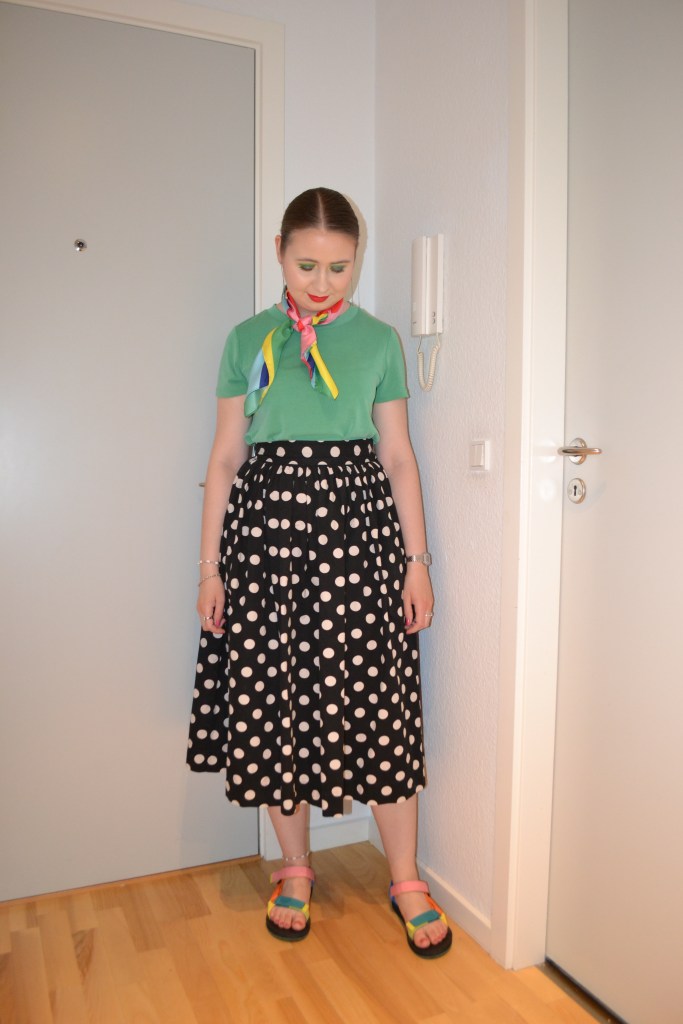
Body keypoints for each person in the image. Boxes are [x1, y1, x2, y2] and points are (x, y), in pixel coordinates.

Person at [187, 187, 451, 958]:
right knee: (275, 703)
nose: (322, 283)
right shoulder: (247, 340)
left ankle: (404, 877)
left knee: (379, 701)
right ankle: (296, 867)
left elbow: (397, 457)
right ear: (279, 252)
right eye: (306, 265)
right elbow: (225, 458)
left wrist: (416, 564)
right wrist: (209, 569)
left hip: (359, 545)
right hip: (265, 546)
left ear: (355, 260)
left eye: (339, 267)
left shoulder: (378, 341)